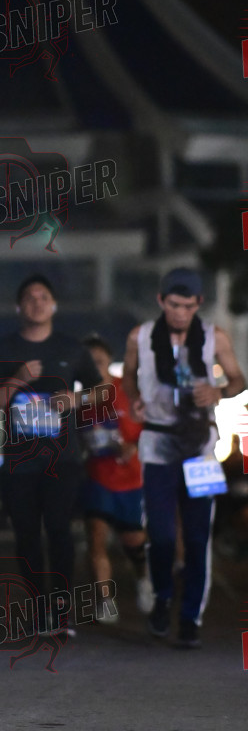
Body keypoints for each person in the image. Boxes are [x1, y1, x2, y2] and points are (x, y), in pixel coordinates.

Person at [122, 267, 245, 647]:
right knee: (159, 535)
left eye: (188, 306)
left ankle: (191, 617)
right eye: (174, 305)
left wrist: (218, 391)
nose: (180, 313)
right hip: (158, 444)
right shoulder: (140, 336)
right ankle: (162, 599)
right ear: (161, 301)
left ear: (198, 304)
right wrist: (135, 399)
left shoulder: (214, 336)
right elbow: (128, 377)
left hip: (201, 447)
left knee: (197, 537)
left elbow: (239, 380)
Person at [0, 276, 107, 632]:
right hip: (19, 462)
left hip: (62, 459)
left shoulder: (70, 348)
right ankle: (38, 610)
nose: (37, 303)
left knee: (59, 530)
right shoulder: (3, 348)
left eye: (43, 297)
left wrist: (76, 399)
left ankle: (62, 610)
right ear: (19, 307)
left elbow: (104, 391)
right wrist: (17, 380)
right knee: (26, 536)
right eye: (29, 298)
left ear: (53, 305)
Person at [79, 334, 153, 622]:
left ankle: (143, 578)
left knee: (133, 540)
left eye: (98, 361)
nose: (94, 367)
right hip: (97, 478)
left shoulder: (130, 390)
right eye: (88, 362)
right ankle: (105, 601)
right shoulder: (80, 400)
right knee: (96, 538)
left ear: (109, 360)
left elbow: (152, 428)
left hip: (132, 480)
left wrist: (133, 445)